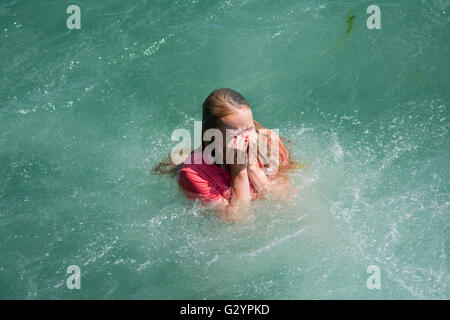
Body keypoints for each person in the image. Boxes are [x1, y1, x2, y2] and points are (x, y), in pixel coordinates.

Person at [155, 88, 295, 222]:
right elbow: (237, 220)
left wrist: (252, 166)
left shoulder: (268, 141)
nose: (246, 138)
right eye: (236, 135)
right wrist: (238, 169)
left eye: (249, 128)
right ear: (213, 136)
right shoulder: (194, 174)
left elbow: (284, 199)